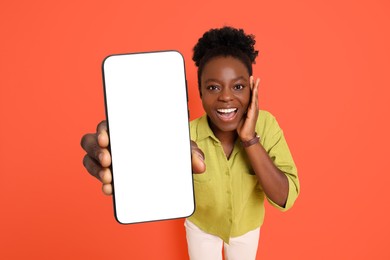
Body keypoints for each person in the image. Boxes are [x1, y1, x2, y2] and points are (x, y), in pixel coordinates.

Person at [81, 26, 300, 260]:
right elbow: (155, 177)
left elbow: (285, 197)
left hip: (246, 229)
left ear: (252, 88)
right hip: (201, 228)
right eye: (213, 87)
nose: (226, 96)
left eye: (238, 86)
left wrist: (249, 139)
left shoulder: (267, 125)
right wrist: (131, 160)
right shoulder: (183, 136)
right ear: (200, 92)